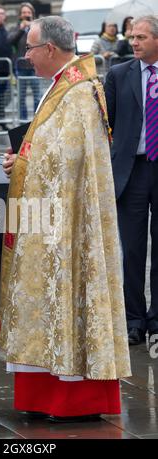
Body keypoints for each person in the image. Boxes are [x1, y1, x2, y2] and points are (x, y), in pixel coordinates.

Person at [0, 16, 131, 421]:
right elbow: (46, 150)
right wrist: (21, 158)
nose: (26, 57)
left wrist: (23, 160)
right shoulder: (61, 88)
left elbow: (69, 161)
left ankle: (73, 400)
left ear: (50, 50)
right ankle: (42, 395)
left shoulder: (77, 93)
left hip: (67, 223)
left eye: (30, 49)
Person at [104, 15, 158, 349]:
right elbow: (101, 123)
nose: (133, 42)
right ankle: (134, 320)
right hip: (132, 171)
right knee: (132, 252)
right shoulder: (118, 74)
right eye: (131, 37)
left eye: (140, 37)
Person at [8, 2, 40, 121]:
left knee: (37, 96)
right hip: (21, 67)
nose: (26, 14)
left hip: (35, 67)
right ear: (20, 15)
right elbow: (10, 41)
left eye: (28, 12)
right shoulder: (15, 28)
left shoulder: (37, 27)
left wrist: (32, 27)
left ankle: (37, 121)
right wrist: (21, 29)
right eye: (24, 12)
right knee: (21, 98)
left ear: (32, 14)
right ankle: (23, 122)